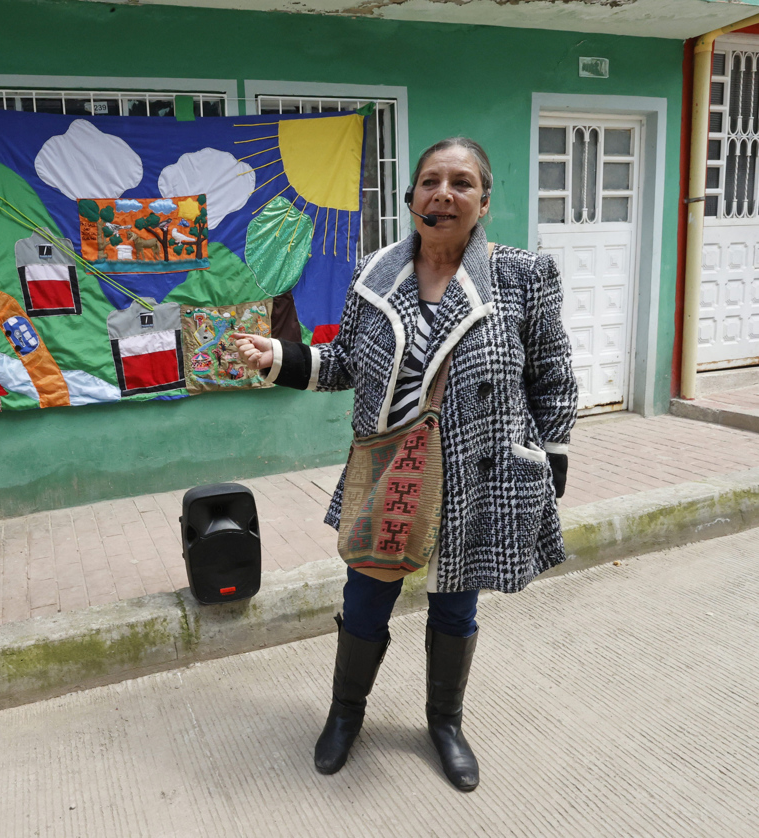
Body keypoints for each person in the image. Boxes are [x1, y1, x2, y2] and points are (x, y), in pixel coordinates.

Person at [235, 137, 577, 792]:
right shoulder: (374, 274)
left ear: (483, 201)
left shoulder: (522, 276)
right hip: (390, 470)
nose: (442, 193)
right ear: (410, 197)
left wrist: (552, 457)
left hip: (477, 475)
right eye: (429, 181)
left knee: (455, 607)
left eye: (460, 182)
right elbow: (342, 364)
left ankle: (444, 723)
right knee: (365, 601)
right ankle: (345, 715)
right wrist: (278, 357)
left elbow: (553, 375)